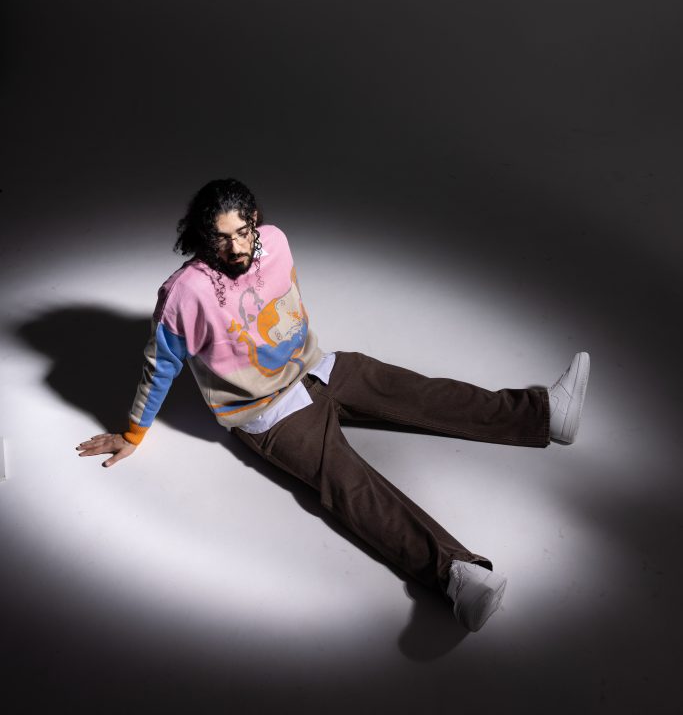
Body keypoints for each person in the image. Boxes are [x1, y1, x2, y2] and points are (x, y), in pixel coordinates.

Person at [76, 178, 590, 631]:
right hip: (268, 414)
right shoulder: (183, 293)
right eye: (220, 238)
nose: (235, 247)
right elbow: (160, 367)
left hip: (321, 368)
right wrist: (133, 433)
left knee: (421, 393)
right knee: (351, 485)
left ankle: (544, 415)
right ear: (201, 236)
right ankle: (457, 576)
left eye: (242, 232)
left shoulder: (276, 241)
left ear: (255, 220)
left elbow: (285, 306)